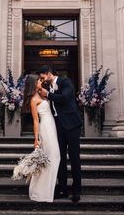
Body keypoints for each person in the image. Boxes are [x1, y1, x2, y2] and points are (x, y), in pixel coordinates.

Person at [38, 65, 82, 203]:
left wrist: (48, 95)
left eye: (43, 77)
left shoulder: (65, 81)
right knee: (60, 157)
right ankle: (62, 188)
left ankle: (76, 190)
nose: (42, 80)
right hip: (58, 127)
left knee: (74, 158)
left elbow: (64, 97)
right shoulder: (48, 87)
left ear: (49, 74)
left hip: (72, 125)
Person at [22, 74, 60, 202]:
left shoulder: (41, 93)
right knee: (52, 157)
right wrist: (36, 139)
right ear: (34, 83)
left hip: (52, 125)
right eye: (39, 80)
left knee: (55, 156)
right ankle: (42, 190)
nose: (41, 81)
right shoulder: (33, 100)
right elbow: (35, 121)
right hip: (46, 128)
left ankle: (50, 188)